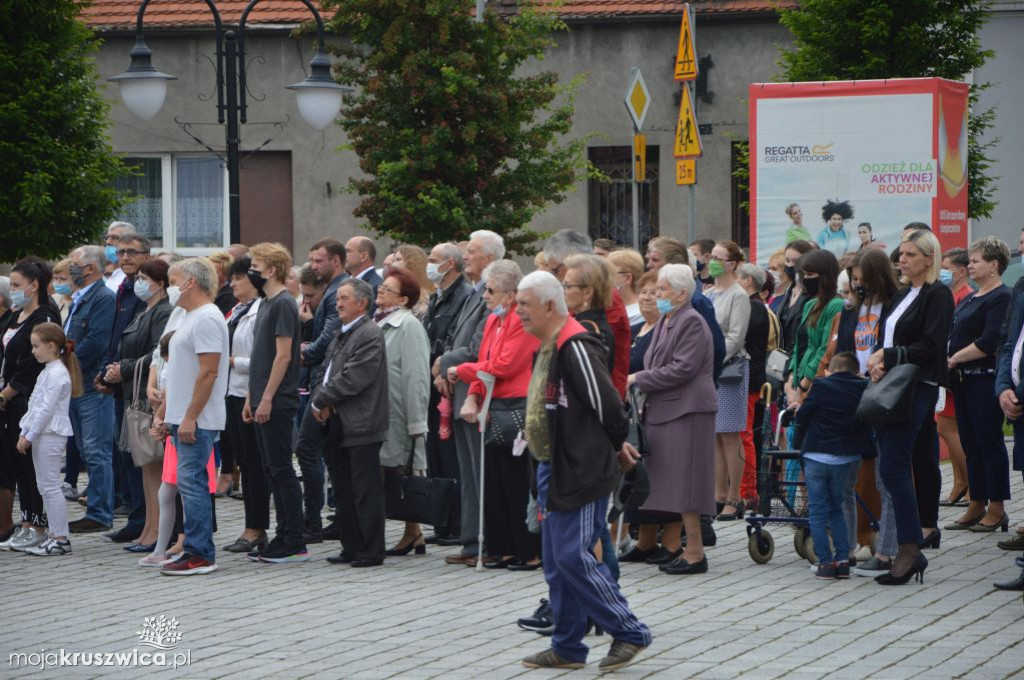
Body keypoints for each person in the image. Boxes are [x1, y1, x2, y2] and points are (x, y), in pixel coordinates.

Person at [516, 271, 651, 673]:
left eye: (525, 304)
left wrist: (617, 443)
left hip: (581, 467)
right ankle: (568, 646)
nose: (518, 311)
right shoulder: (549, 344)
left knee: (574, 556)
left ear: (550, 306)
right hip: (552, 466)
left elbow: (608, 403)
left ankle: (629, 631)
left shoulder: (575, 343)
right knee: (556, 561)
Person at [867, 229, 953, 585]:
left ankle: (909, 548)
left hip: (915, 387)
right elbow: (885, 337)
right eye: (901, 254)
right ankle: (908, 544)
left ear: (929, 258)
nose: (903, 260)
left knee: (894, 467)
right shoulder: (902, 295)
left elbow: (931, 346)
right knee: (898, 465)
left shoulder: (938, 295)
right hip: (890, 386)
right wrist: (877, 360)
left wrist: (888, 355)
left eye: (911, 255)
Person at [452, 260, 541, 569]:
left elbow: (505, 366)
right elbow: (485, 361)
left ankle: (527, 549)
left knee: (517, 482)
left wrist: (461, 371)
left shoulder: (520, 319)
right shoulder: (494, 319)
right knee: (496, 482)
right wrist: (473, 395)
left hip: (516, 405)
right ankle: (502, 547)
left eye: (491, 290)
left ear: (511, 294)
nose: (485, 295)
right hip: (493, 407)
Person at [628, 263, 716, 575]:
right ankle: (687, 549)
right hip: (668, 410)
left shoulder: (690, 320)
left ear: (680, 293)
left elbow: (683, 368)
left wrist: (638, 377)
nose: (657, 295)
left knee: (687, 482)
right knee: (676, 483)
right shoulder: (670, 319)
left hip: (687, 410)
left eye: (662, 289)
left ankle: (694, 552)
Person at [153, 258, 229, 576]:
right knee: (188, 484)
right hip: (183, 416)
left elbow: (208, 372)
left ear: (191, 282)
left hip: (197, 419)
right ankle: (194, 549)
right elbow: (179, 372)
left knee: (193, 485)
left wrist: (190, 417)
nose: (170, 286)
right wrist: (167, 415)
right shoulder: (187, 316)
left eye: (174, 279)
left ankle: (200, 553)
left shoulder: (207, 318)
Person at [312, 278, 389, 568]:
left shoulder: (369, 333)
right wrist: (320, 398)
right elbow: (326, 370)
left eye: (344, 298)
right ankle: (351, 545)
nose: (338, 303)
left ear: (362, 303)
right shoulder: (341, 333)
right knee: (342, 487)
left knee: (364, 489)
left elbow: (356, 376)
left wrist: (323, 399)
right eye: (338, 298)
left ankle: (371, 549)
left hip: (362, 422)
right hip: (337, 420)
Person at [437, 230, 503, 565]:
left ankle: (484, 540)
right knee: (468, 471)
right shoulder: (473, 291)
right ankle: (470, 540)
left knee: (480, 472)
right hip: (461, 385)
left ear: (490, 257)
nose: (465, 256)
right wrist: (444, 366)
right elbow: (454, 337)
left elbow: (478, 347)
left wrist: (447, 364)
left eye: (472, 251)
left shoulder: (491, 294)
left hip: (475, 389)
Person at [102, 259, 172, 554]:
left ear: (160, 282)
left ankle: (157, 531)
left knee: (152, 465)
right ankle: (148, 527)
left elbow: (157, 353)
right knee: (145, 467)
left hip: (148, 395)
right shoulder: (145, 310)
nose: (138, 282)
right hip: (134, 393)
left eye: (144, 277)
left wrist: (124, 368)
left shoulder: (163, 311)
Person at [837, 248, 900, 574]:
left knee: (885, 477)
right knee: (849, 476)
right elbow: (844, 351)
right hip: (853, 394)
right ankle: (848, 546)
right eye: (854, 280)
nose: (859, 286)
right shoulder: (852, 310)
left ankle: (887, 547)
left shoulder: (893, 307)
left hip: (883, 395)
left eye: (863, 279)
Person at [242, 242, 306, 563]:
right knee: (270, 468)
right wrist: (251, 398)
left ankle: (294, 538)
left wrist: (266, 397)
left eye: (255, 264)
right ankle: (283, 534)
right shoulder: (266, 302)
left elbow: (283, 357)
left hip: (278, 401)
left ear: (271, 269)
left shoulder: (283, 304)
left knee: (281, 469)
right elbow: (260, 355)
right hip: (262, 398)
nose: (250, 270)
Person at [945, 237, 1012, 533]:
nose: (970, 265)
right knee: (971, 443)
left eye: (976, 261)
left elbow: (989, 341)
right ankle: (977, 502)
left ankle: (997, 507)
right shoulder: (972, 297)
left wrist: (955, 357)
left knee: (989, 442)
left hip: (984, 379)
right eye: (970, 261)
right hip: (963, 382)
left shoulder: (1001, 297)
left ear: (994, 265)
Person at [795, 352, 875, 579]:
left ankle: (826, 563)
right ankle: (842, 560)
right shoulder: (862, 387)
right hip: (846, 458)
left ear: (832, 369)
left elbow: (802, 417)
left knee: (818, 512)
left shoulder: (821, 385)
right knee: (837, 508)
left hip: (817, 456)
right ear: (854, 370)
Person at [0, 260, 61, 551]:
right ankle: (25, 522)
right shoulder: (16, 315)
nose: (12, 291)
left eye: (16, 285)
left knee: (30, 463)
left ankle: (38, 523)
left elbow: (28, 366)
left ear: (33, 285)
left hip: (26, 400)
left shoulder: (44, 316)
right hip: (10, 402)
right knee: (18, 464)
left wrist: (6, 394)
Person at [374, 268, 431, 556]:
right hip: (380, 410)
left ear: (404, 299)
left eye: (387, 290)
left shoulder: (408, 326)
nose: (379, 292)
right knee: (389, 470)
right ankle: (413, 532)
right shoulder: (378, 322)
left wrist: (417, 420)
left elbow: (417, 375)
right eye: (381, 288)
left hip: (399, 410)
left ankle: (413, 530)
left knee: (403, 469)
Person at [295, 237, 348, 541]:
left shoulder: (335, 292)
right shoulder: (329, 291)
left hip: (325, 384)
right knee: (325, 452)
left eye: (318, 261)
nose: (313, 266)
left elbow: (328, 338)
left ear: (335, 261)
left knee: (308, 448)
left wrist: (305, 352)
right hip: (321, 381)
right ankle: (332, 517)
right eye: (312, 261)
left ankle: (313, 520)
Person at [13, 323, 81, 555]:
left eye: (36, 346)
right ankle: (55, 534)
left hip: (50, 434)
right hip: (43, 432)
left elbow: (46, 409)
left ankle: (60, 537)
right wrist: (25, 430)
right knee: (45, 485)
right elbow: (35, 405)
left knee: (50, 486)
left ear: (51, 346)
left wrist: (29, 435)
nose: (33, 351)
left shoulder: (57, 374)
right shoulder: (48, 371)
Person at [101, 232, 150, 542]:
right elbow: (117, 336)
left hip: (142, 384)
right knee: (126, 454)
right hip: (121, 380)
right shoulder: (123, 289)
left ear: (147, 254)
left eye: (132, 252)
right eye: (120, 253)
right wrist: (107, 371)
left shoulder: (148, 293)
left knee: (141, 454)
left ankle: (146, 519)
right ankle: (137, 516)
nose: (126, 258)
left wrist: (124, 370)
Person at [220, 256, 270, 554]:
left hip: (248, 392)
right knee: (243, 459)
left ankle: (256, 527)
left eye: (238, 278)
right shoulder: (236, 310)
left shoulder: (261, 310)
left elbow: (262, 358)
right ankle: (250, 525)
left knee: (253, 463)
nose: (232, 284)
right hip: (231, 392)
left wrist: (232, 362)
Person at [423, 242, 473, 544]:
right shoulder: (438, 297)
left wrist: (444, 368)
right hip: (434, 380)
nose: (429, 264)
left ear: (449, 264)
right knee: (436, 456)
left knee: (451, 456)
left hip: (449, 381)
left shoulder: (463, 295)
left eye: (433, 260)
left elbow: (455, 338)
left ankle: (456, 522)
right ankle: (442, 520)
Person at [65, 246, 116, 533]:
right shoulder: (79, 299)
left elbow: (96, 340)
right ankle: (96, 507)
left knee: (97, 452)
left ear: (89, 269)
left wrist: (65, 366)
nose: (70, 268)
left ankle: (99, 514)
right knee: (87, 450)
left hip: (91, 385)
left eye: (75, 263)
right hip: (76, 384)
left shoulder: (102, 298)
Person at [543, 230, 630, 398]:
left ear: (572, 263)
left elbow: (591, 352)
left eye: (554, 270)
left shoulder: (606, 296)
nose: (553, 276)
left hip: (598, 394)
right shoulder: (579, 292)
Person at [706, 241, 751, 521]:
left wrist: (713, 358)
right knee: (715, 435)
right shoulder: (708, 293)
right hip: (709, 368)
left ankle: (736, 496)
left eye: (717, 258)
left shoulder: (739, 295)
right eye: (710, 256)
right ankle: (718, 494)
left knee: (731, 434)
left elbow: (735, 337)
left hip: (730, 367)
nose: (711, 261)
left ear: (732, 264)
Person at [936, 248, 973, 506]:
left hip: (956, 370)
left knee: (951, 428)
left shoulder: (964, 297)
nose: (942, 271)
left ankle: (968, 482)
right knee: (945, 427)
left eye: (946, 266)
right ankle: (961, 480)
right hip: (947, 368)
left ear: (961, 271)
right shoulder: (952, 295)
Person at [786, 249, 844, 408]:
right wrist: (791, 379)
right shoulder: (810, 304)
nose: (805, 279)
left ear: (826, 276)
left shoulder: (836, 305)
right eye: (804, 274)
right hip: (800, 379)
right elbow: (800, 345)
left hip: (817, 382)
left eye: (811, 275)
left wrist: (804, 385)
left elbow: (824, 349)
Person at [737, 263, 770, 510]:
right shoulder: (751, 306)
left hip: (748, 380)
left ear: (748, 281)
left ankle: (748, 490)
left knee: (744, 434)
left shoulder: (754, 308)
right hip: (744, 378)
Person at [563, 254, 616, 370]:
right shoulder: (586, 322)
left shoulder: (590, 329)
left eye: (568, 286)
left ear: (587, 292)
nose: (564, 291)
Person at [777, 240, 816, 354]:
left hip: (800, 355)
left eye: (796, 261)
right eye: (787, 260)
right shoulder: (788, 290)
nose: (790, 265)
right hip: (782, 356)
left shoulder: (811, 293)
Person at [392, 244, 433, 321]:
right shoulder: (397, 289)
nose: (393, 264)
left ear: (413, 263)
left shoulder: (425, 294)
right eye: (393, 260)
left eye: (398, 259)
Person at [607, 249, 645, 325]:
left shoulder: (642, 314)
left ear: (628, 278)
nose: (604, 278)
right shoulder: (606, 308)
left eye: (610, 273)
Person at [103, 222, 133, 290]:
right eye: (107, 237)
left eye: (114, 237)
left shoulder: (133, 276)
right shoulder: (115, 274)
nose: (108, 242)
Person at [208, 251, 237, 315]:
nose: (207, 272)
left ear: (224, 275)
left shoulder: (228, 297)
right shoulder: (208, 291)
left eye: (212, 270)